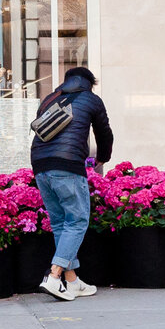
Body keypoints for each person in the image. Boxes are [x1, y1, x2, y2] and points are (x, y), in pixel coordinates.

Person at [30, 63, 112, 301]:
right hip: (67, 166)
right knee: (76, 221)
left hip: (40, 166)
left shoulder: (49, 99)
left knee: (60, 223)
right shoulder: (91, 99)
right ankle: (54, 277)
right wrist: (103, 158)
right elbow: (104, 133)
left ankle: (72, 281)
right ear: (89, 83)